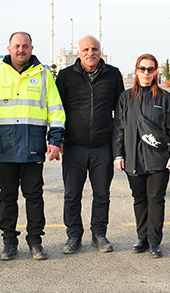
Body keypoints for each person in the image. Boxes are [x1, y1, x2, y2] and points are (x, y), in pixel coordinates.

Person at [0, 32, 66, 261]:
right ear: (9, 48)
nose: (21, 50)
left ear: (31, 48)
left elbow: (56, 111)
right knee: (7, 197)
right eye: (17, 46)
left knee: (34, 196)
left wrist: (55, 140)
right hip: (4, 148)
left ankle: (35, 242)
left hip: (33, 148)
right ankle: (9, 242)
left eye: (25, 46)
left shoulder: (44, 75)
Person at [56, 35, 125, 254]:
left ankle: (99, 234)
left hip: (103, 147)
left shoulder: (113, 75)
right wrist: (59, 140)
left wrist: (118, 147)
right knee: (72, 194)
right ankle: (74, 235)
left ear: (100, 51)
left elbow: (120, 113)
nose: (90, 53)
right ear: (78, 52)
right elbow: (58, 111)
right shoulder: (66, 76)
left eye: (94, 48)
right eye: (85, 49)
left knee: (102, 194)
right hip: (74, 147)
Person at [113, 54, 170, 259]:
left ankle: (154, 241)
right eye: (142, 69)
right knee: (139, 199)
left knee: (156, 200)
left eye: (150, 69)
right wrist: (118, 155)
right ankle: (141, 238)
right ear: (136, 71)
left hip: (158, 160)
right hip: (133, 159)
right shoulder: (126, 98)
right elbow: (119, 128)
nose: (146, 73)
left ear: (156, 72)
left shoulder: (164, 97)